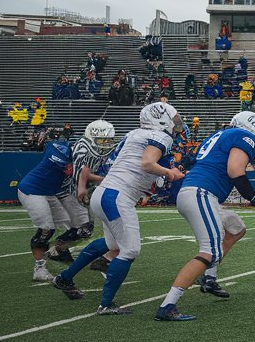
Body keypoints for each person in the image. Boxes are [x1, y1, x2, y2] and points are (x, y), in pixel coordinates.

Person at [51, 103, 186, 314]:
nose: (177, 124)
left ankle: (64, 278)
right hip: (117, 196)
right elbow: (147, 163)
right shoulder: (161, 137)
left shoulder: (135, 133)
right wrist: (169, 174)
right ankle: (106, 304)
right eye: (174, 119)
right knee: (130, 249)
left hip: (105, 192)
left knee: (110, 243)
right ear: (161, 120)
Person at [155, 111, 255, 321]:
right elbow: (235, 171)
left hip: (199, 193)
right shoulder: (245, 136)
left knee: (235, 228)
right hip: (201, 193)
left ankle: (209, 278)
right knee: (209, 251)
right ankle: (168, 305)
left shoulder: (219, 135)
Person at [46, 120, 118, 263]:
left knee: (86, 227)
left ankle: (60, 249)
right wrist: (105, 179)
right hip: (68, 191)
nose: (106, 143)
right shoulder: (84, 147)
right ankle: (55, 248)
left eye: (108, 139)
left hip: (77, 190)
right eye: (103, 139)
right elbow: (81, 174)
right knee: (84, 228)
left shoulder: (94, 148)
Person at [16, 137, 72, 281]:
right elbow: (53, 148)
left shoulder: (76, 156)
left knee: (70, 225)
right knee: (46, 229)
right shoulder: (60, 150)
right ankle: (39, 268)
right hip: (32, 190)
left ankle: (57, 252)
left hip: (48, 192)